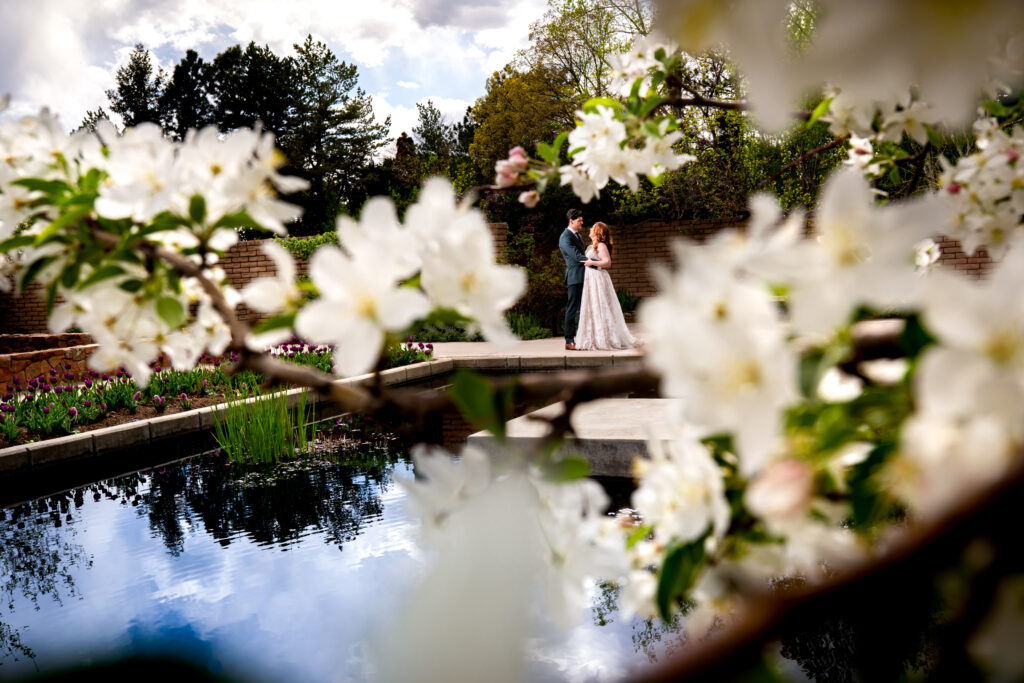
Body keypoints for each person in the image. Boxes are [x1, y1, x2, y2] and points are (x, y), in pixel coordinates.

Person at [575, 222, 639, 351]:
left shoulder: (601, 245)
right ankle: (593, 336)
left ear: (597, 232)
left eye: (593, 228)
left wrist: (591, 262)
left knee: (601, 305)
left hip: (598, 277)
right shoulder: (592, 246)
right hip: (590, 278)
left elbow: (607, 262)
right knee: (592, 306)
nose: (590, 229)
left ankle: (606, 337)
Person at [558, 208, 589, 351]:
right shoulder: (565, 237)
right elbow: (577, 256)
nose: (582, 222)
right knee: (572, 309)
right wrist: (595, 262)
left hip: (584, 276)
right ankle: (569, 340)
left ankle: (583, 337)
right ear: (571, 221)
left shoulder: (579, 236)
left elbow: (585, 250)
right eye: (579, 221)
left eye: (582, 220)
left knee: (583, 309)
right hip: (574, 278)